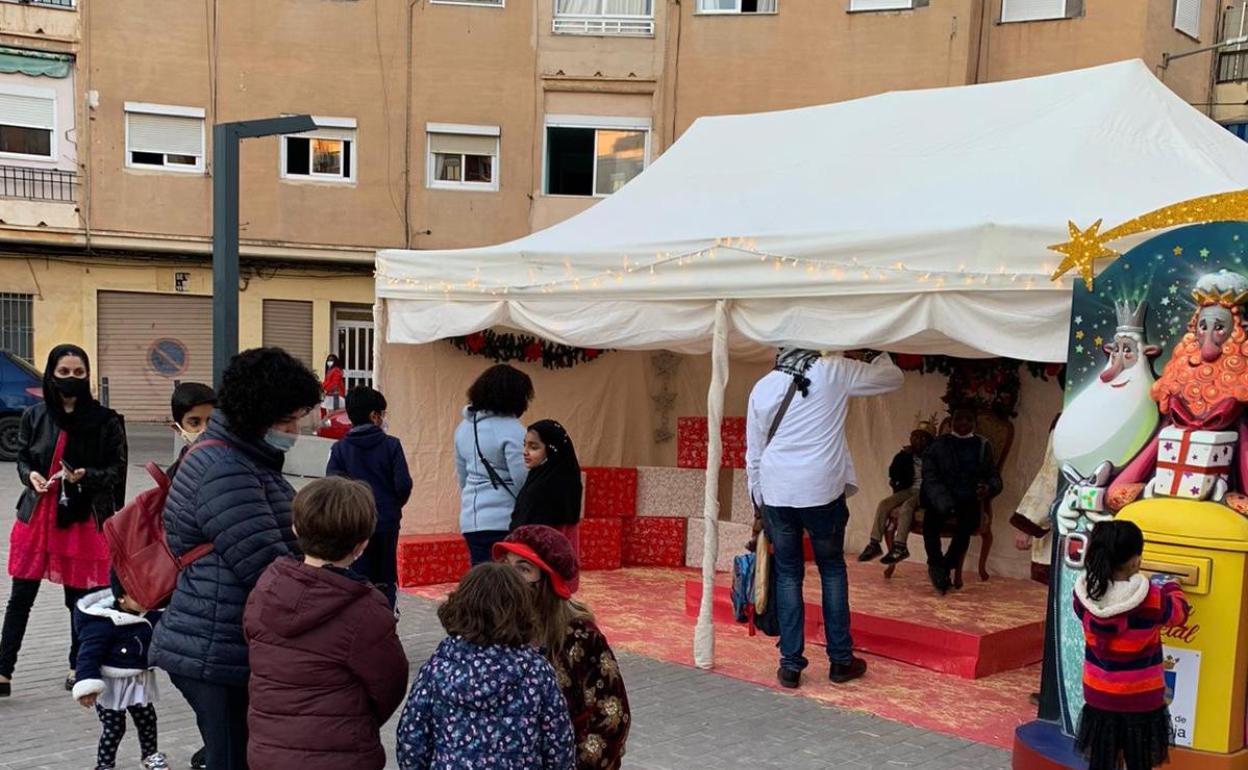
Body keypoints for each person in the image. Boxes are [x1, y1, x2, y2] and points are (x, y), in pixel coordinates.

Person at [151, 347, 321, 770]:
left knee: (227, 752)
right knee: (230, 757)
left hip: (224, 641)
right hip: (215, 649)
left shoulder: (242, 456)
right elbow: (264, 565)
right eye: (285, 419)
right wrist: (336, 601)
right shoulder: (223, 467)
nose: (294, 429)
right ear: (255, 413)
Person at [746, 348, 903, 690]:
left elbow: (754, 452)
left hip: (777, 492)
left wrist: (758, 502)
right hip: (821, 490)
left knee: (788, 574)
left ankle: (790, 665)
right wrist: (879, 354)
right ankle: (840, 661)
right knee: (831, 570)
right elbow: (892, 378)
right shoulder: (834, 370)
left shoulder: (763, 386)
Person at [245, 477, 409, 770]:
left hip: (268, 751)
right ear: (362, 545)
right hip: (342, 753)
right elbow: (390, 684)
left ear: (295, 529)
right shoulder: (366, 610)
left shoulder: (267, 588)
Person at [1, 344, 127, 698]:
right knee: (20, 596)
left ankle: (79, 666)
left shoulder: (105, 421)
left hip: (81, 517)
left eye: (78, 373)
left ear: (87, 376)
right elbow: (23, 457)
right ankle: (3, 671)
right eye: (64, 373)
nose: (71, 379)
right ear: (51, 375)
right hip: (38, 514)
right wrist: (31, 478)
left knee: (80, 599)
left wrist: (84, 476)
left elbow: (115, 472)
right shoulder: (35, 415)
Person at [395, 562, 576, 770]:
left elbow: (411, 740)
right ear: (522, 609)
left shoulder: (437, 669)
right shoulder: (536, 671)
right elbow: (559, 744)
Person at [495, 525, 630, 770]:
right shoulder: (494, 631)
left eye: (523, 569)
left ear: (548, 582)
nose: (511, 578)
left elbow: (611, 717)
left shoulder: (581, 637)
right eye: (506, 566)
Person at [1074, 520, 1188, 770]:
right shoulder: (1152, 599)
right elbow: (1179, 614)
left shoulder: (1082, 595)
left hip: (1099, 695)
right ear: (1136, 561)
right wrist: (1171, 587)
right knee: (1140, 762)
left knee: (1101, 761)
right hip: (1140, 698)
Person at [326, 386, 413, 608]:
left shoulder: (340, 449)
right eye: (382, 414)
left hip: (353, 525)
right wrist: (392, 506)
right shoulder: (391, 445)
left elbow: (333, 486)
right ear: (374, 416)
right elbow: (403, 485)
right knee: (385, 578)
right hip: (386, 522)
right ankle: (385, 619)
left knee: (355, 575)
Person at [166, 382, 216, 769]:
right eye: (194, 422)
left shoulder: (226, 461)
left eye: (210, 420)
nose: (202, 428)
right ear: (177, 426)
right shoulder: (177, 472)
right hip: (191, 592)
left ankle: (213, 747)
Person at [72, 572, 168, 770]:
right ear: (121, 598)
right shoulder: (103, 624)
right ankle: (105, 764)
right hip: (111, 684)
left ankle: (150, 756)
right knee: (114, 727)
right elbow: (88, 656)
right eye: (138, 595)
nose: (145, 598)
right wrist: (87, 685)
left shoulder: (151, 615)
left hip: (139, 680)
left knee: (147, 719)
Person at [454, 364, 534, 565]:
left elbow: (462, 478)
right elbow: (522, 480)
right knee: (506, 584)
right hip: (504, 520)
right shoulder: (513, 429)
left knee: (483, 581)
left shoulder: (464, 428)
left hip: (471, 520)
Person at [920, 405, 1003, 595]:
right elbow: (930, 477)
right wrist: (945, 503)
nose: (963, 423)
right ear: (951, 422)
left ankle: (944, 567)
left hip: (968, 499)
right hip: (940, 498)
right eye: (959, 419)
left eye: (968, 419)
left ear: (974, 423)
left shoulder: (982, 445)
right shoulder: (938, 445)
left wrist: (989, 487)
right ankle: (935, 562)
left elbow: (994, 476)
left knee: (966, 527)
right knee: (930, 523)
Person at [858, 424, 934, 565]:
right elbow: (893, 473)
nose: (918, 441)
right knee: (884, 504)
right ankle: (874, 543)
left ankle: (900, 546)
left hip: (926, 491)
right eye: (915, 437)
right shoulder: (906, 455)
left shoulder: (934, 455)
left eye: (923, 438)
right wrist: (903, 456)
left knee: (907, 506)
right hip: (909, 489)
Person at [510, 420, 584, 556]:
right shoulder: (540, 477)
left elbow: (547, 535)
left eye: (533, 447)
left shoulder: (551, 485)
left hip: (545, 562)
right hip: (542, 560)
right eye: (524, 445)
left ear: (551, 450)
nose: (525, 452)